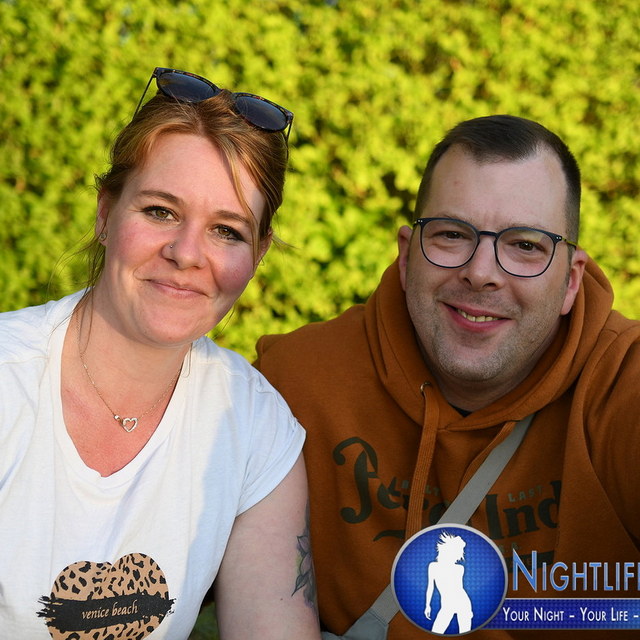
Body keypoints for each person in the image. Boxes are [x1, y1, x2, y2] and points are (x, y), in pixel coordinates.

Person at [255, 115, 640, 639]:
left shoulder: (622, 386)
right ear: (406, 256)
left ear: (571, 281)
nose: (481, 272)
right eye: (452, 235)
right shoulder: (294, 384)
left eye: (526, 245)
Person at [0, 67, 320, 640]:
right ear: (105, 213)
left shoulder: (255, 427)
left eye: (227, 231)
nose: (186, 253)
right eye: (160, 211)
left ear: (258, 254)